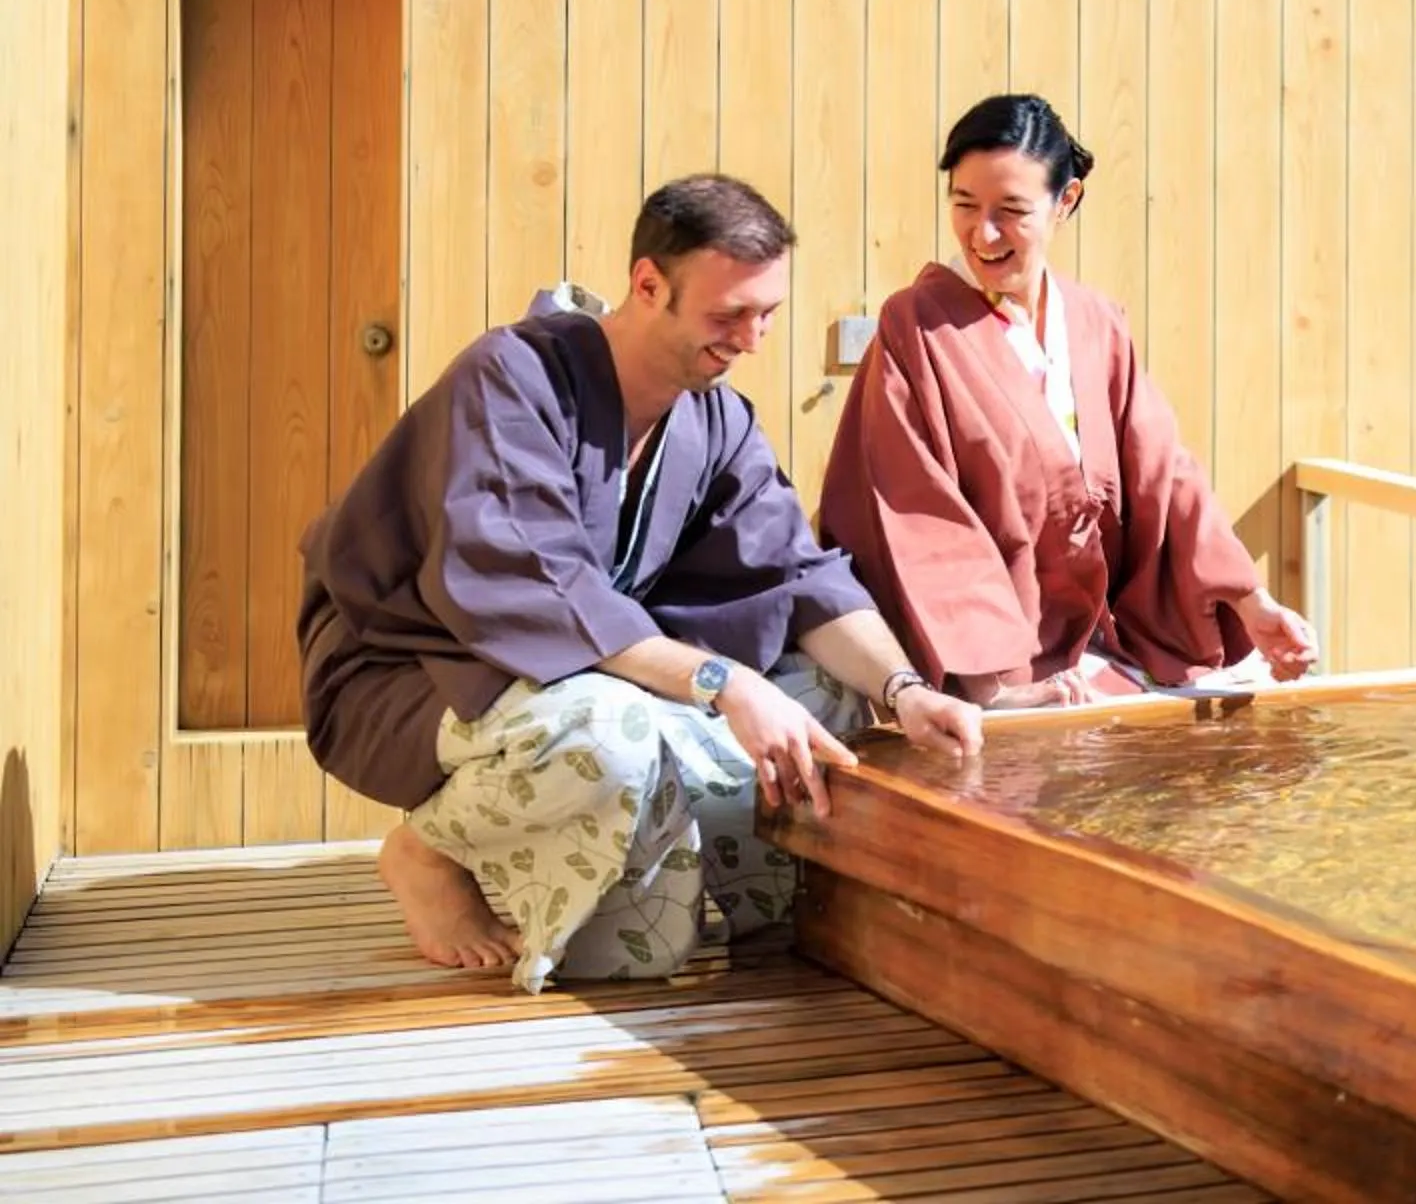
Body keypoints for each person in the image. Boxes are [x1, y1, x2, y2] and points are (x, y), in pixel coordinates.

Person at [297, 174, 984, 994]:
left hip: (580, 683)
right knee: (614, 728)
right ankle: (431, 847)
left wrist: (905, 690)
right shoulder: (512, 377)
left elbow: (799, 580)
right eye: (729, 314)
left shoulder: (715, 419)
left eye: (766, 313)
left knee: (823, 703)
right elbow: (540, 589)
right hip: (418, 674)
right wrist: (724, 685)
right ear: (647, 284)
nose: (752, 340)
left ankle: (686, 863)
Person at [816, 94, 1319, 708]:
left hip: (1103, 636)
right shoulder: (915, 328)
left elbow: (1163, 471)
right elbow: (919, 515)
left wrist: (1248, 598)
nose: (984, 233)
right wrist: (994, 684)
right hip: (990, 661)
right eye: (965, 205)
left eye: (1012, 211)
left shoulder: (1095, 322)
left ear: (1067, 201)